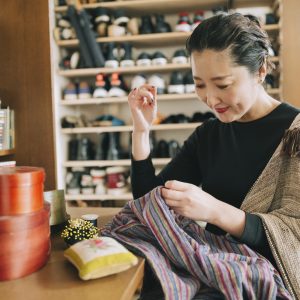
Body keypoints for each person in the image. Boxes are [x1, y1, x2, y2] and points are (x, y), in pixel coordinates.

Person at [127, 12, 300, 297]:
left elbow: (294, 234)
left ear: (260, 71)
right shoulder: (209, 134)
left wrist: (215, 211)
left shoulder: (294, 135)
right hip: (216, 272)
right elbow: (150, 205)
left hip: (267, 285)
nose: (211, 99)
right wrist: (141, 132)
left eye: (222, 85)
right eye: (199, 84)